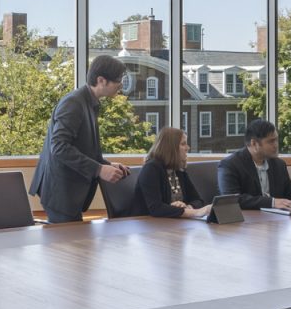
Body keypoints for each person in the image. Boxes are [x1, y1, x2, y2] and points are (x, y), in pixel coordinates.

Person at [30, 54, 129, 223]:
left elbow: (83, 148)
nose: (121, 85)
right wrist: (99, 170)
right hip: (60, 193)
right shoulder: (74, 103)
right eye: (118, 80)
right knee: (69, 247)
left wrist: (106, 165)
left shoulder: (89, 102)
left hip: (70, 193)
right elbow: (59, 147)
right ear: (101, 80)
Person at [217, 118, 291, 211]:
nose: (276, 145)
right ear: (254, 143)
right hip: (246, 221)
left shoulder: (279, 164)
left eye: (276, 140)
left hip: (277, 220)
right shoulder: (230, 165)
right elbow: (231, 199)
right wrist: (272, 202)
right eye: (271, 141)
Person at [136, 127, 211, 220]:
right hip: (148, 225)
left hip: (172, 223)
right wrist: (195, 213)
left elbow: (198, 200)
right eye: (183, 144)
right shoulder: (151, 168)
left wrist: (188, 207)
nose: (187, 148)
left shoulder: (178, 170)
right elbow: (156, 208)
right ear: (170, 147)